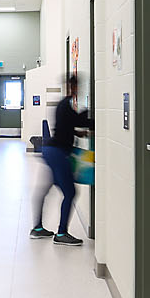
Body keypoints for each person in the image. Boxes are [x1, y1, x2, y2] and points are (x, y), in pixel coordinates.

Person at [30, 74, 91, 246]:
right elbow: (81, 121)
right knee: (71, 192)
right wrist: (91, 116)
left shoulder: (63, 105)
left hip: (50, 151)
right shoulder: (67, 104)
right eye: (76, 86)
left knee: (44, 189)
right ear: (72, 87)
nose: (77, 89)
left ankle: (38, 228)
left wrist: (79, 132)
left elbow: (67, 127)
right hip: (57, 153)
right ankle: (62, 233)